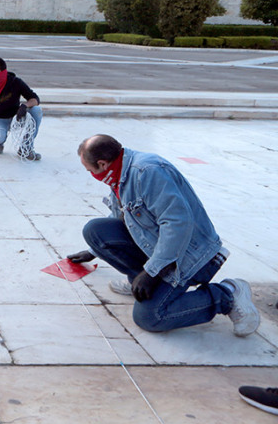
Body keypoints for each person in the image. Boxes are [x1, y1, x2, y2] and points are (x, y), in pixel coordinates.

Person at [68, 134, 260, 336]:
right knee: (95, 231)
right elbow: (123, 217)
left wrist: (151, 272)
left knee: (151, 317)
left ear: (102, 163)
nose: (91, 174)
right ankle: (138, 280)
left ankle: (227, 294)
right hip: (163, 249)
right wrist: (93, 251)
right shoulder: (118, 171)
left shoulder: (148, 172)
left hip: (192, 257)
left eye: (90, 170)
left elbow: (177, 224)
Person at [0, 56, 43, 160]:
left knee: (36, 110)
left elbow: (35, 99)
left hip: (15, 119)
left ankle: (25, 148)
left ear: (3, 72)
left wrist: (24, 106)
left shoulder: (15, 82)